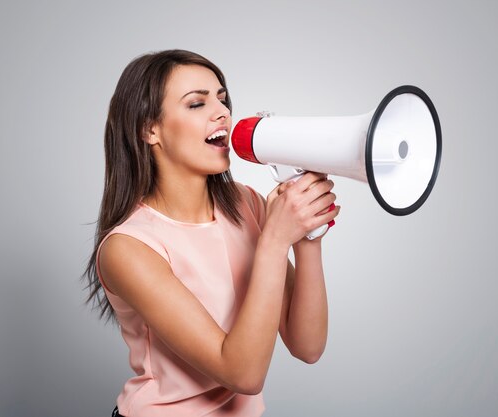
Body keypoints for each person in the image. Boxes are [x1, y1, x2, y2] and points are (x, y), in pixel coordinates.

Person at [84, 49, 340, 417]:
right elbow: (243, 374)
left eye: (222, 99)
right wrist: (274, 240)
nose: (222, 113)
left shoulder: (245, 204)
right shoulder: (128, 248)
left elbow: (308, 346)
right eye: (196, 104)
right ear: (149, 129)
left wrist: (306, 237)